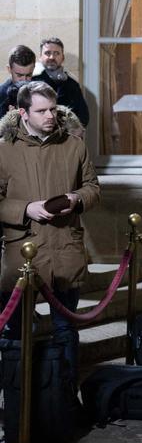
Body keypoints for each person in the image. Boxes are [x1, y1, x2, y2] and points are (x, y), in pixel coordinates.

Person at [0, 81, 100, 382]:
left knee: (66, 330)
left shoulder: (74, 146)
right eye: (41, 110)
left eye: (53, 109)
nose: (50, 116)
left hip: (65, 251)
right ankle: (20, 401)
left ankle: (64, 402)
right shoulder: (5, 151)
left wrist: (76, 199)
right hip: (23, 257)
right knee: (17, 332)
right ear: (23, 113)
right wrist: (25, 209)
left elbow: (93, 188)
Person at [32, 37, 89, 127]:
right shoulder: (32, 83)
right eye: (47, 53)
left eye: (56, 53)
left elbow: (83, 117)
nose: (52, 57)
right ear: (40, 57)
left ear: (62, 58)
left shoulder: (72, 85)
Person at [0, 45, 36, 117]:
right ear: (9, 69)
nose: (24, 80)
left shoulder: (40, 89)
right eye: (19, 75)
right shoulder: (1, 95)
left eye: (29, 75)